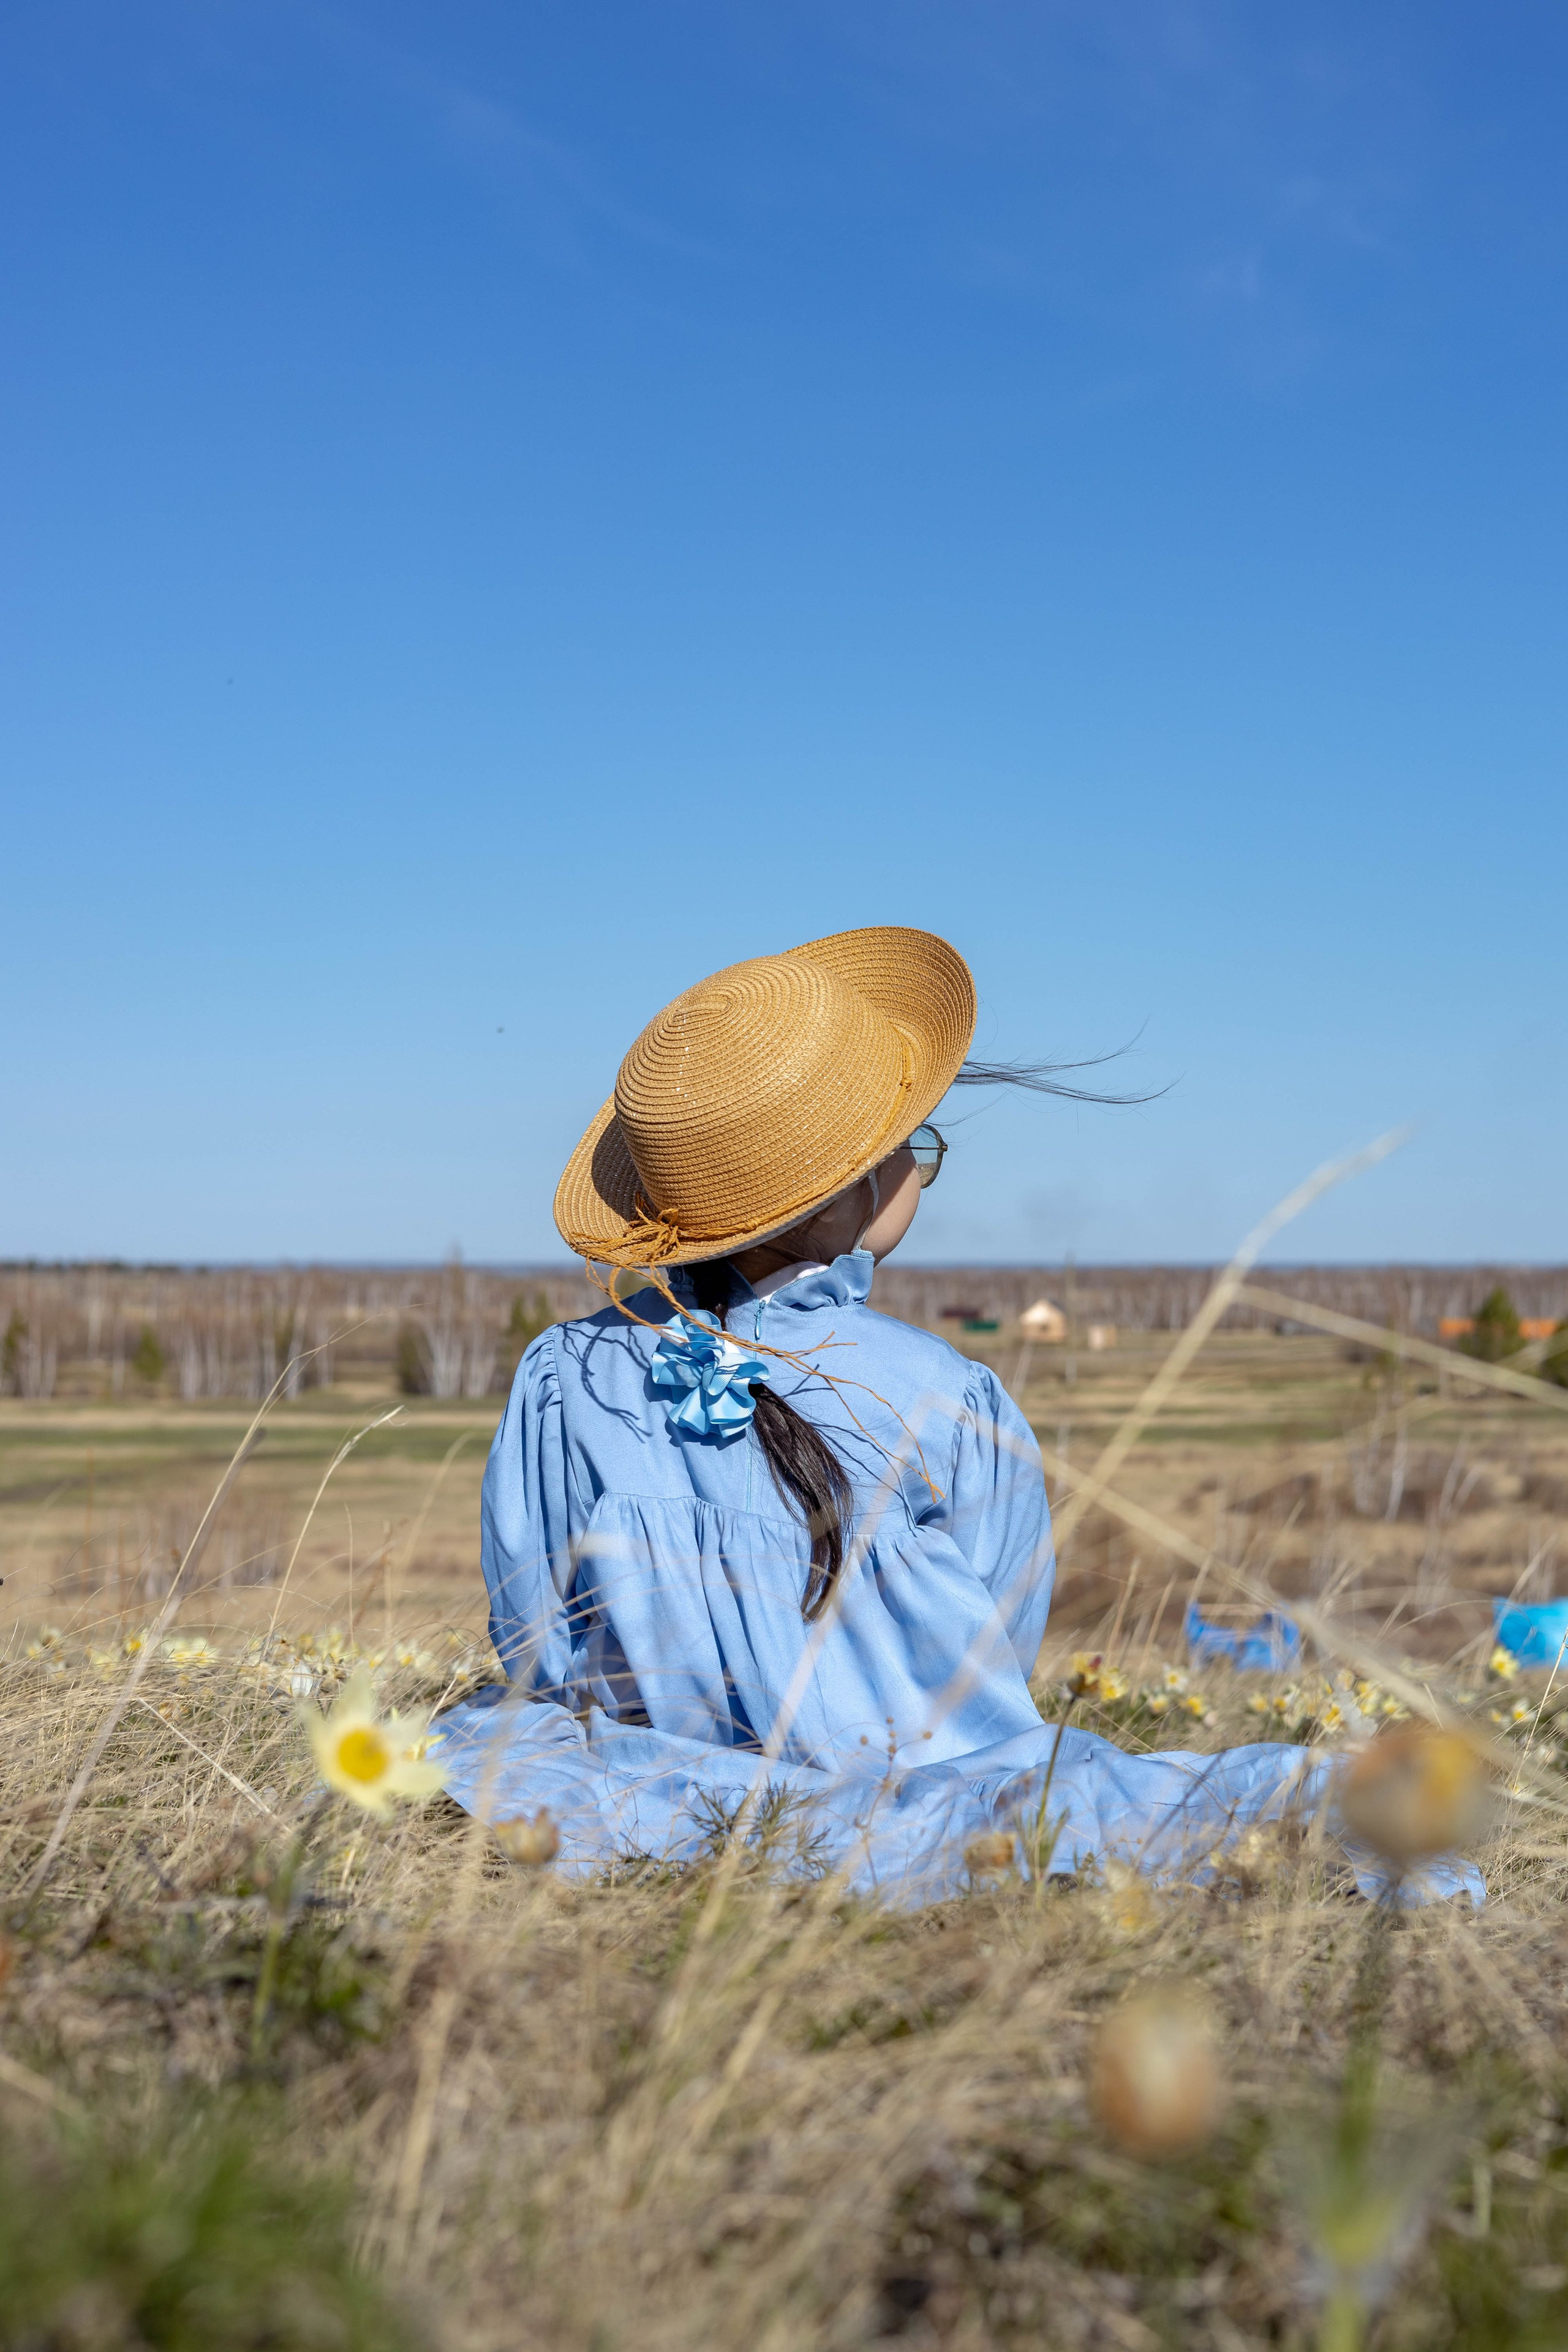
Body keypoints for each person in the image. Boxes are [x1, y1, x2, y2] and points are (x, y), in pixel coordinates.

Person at [437, 925, 1480, 1907]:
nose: (920, 1166)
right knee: (1136, 1803)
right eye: (912, 1146)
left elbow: (535, 1630)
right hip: (930, 1789)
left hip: (643, 1772)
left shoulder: (560, 1375)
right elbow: (1001, 1640)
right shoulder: (944, 1394)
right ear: (843, 1201)